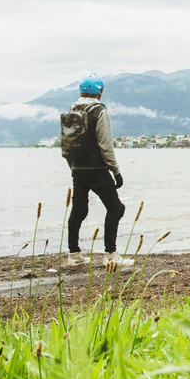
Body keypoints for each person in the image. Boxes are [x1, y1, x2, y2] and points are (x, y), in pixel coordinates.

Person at [66, 73, 133, 268]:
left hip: (77, 168)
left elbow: (67, 143)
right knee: (116, 208)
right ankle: (110, 255)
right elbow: (105, 145)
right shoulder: (99, 111)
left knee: (78, 210)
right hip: (97, 169)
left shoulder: (72, 110)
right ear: (100, 92)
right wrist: (116, 171)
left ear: (80, 91)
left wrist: (73, 167)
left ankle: (74, 255)